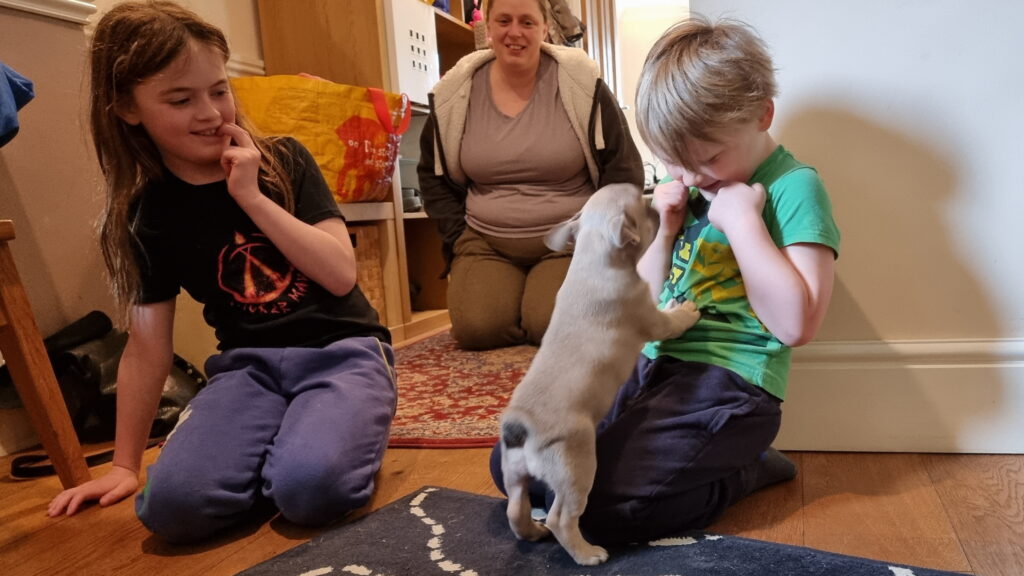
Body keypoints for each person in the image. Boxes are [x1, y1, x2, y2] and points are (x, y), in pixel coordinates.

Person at [46, 1, 397, 543]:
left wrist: (253, 199)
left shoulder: (287, 160)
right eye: (180, 99)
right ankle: (285, 440)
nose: (210, 112)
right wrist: (122, 465)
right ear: (127, 108)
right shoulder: (147, 215)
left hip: (343, 355)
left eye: (219, 90)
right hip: (248, 371)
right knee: (171, 509)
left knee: (309, 490)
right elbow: (144, 347)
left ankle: (315, 438)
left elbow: (339, 276)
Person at [490, 14, 841, 544]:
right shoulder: (692, 185)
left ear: (763, 114)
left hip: (729, 383)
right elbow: (646, 305)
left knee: (605, 510)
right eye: (675, 165)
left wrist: (745, 223)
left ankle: (744, 470)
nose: (694, 178)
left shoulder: (794, 187)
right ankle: (682, 463)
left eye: (708, 159)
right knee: (517, 464)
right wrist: (667, 228)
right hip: (652, 364)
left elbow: (796, 325)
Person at [417, 0, 644, 350]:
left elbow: (624, 167)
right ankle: (523, 302)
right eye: (504, 21)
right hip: (485, 241)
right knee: (478, 330)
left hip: (568, 242)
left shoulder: (582, 84)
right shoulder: (454, 94)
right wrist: (459, 235)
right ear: (487, 28)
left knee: (549, 327)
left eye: (527, 22)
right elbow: (431, 175)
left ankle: (548, 305)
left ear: (544, 28)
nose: (515, 32)